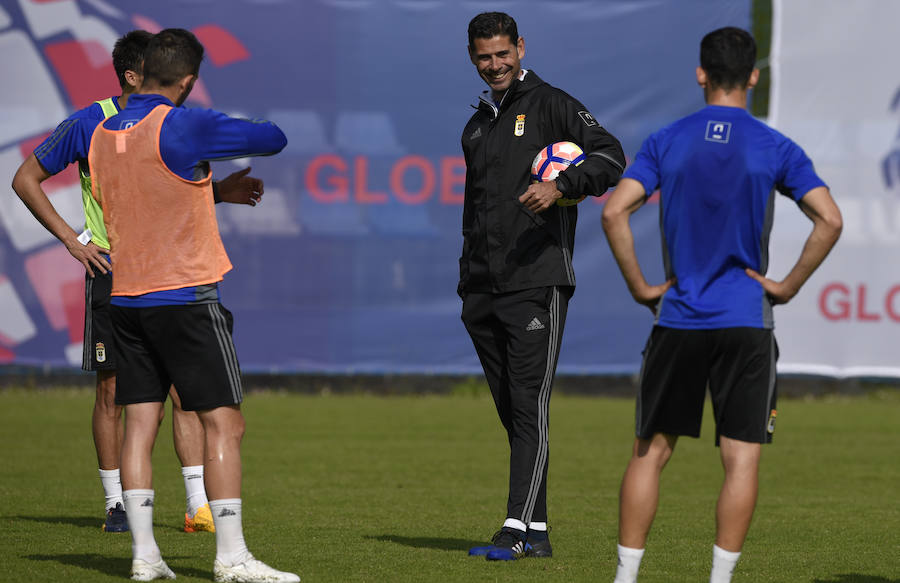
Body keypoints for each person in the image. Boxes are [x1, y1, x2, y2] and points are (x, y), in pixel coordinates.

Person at [601, 27, 842, 583]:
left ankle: (625, 578)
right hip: (745, 320)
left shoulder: (666, 140)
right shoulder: (774, 146)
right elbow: (829, 220)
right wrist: (786, 285)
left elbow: (615, 213)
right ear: (754, 76)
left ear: (701, 73)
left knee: (650, 454)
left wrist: (642, 287)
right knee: (741, 458)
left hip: (679, 316)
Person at [10, 29, 259, 535]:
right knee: (115, 394)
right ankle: (116, 505)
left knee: (186, 393)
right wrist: (73, 241)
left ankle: (197, 506)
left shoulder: (171, 124)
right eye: (159, 72)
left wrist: (219, 194)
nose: (172, 84)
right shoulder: (91, 123)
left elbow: (162, 201)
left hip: (170, 271)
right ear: (133, 76)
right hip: (114, 272)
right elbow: (24, 178)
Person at [81, 28, 295, 582]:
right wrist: (209, 122)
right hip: (185, 296)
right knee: (225, 423)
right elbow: (272, 138)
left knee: (139, 425)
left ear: (141, 70)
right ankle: (231, 558)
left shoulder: (103, 132)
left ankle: (145, 557)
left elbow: (154, 191)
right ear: (188, 80)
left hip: (126, 296)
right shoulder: (185, 122)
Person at [459, 12, 625, 561]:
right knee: (513, 410)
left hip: (537, 280)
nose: (495, 65)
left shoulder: (551, 102)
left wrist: (561, 185)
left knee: (529, 404)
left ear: (520, 48)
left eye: (503, 53)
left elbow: (610, 155)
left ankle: (513, 530)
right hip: (482, 287)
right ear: (472, 57)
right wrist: (469, 280)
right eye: (484, 56)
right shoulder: (479, 122)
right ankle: (538, 532)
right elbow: (477, 210)